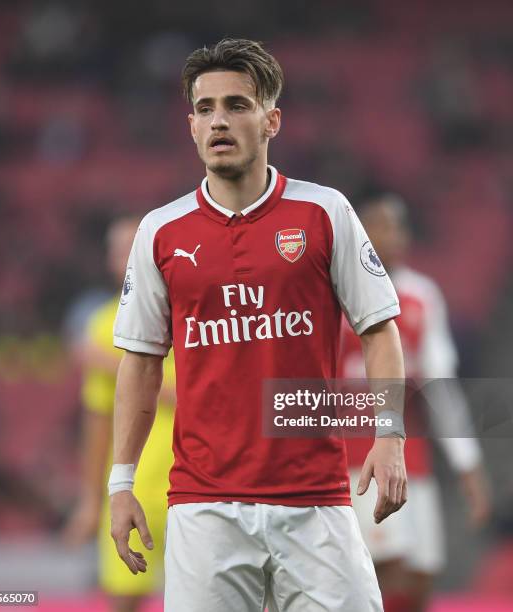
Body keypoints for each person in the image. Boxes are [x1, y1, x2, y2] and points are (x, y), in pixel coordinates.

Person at [109, 38, 407, 612]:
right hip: (205, 505)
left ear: (271, 120)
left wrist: (389, 436)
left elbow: (378, 330)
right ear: (191, 127)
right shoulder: (161, 231)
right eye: (205, 108)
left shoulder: (324, 212)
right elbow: (141, 362)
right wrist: (121, 484)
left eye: (237, 105)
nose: (219, 120)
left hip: (315, 498)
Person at [339, 194, 490, 612]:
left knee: (422, 574)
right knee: (383, 568)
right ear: (359, 233)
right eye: (380, 225)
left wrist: (467, 464)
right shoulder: (333, 292)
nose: (392, 235)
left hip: (411, 453)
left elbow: (440, 385)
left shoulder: (423, 296)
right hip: (354, 455)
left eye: (397, 225)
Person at [63, 216, 175, 612]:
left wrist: (113, 364)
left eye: (135, 248)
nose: (127, 258)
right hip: (130, 491)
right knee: (123, 602)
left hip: (194, 490)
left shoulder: (191, 313)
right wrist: (90, 500)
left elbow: (199, 399)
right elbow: (97, 422)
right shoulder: (101, 326)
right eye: (118, 250)